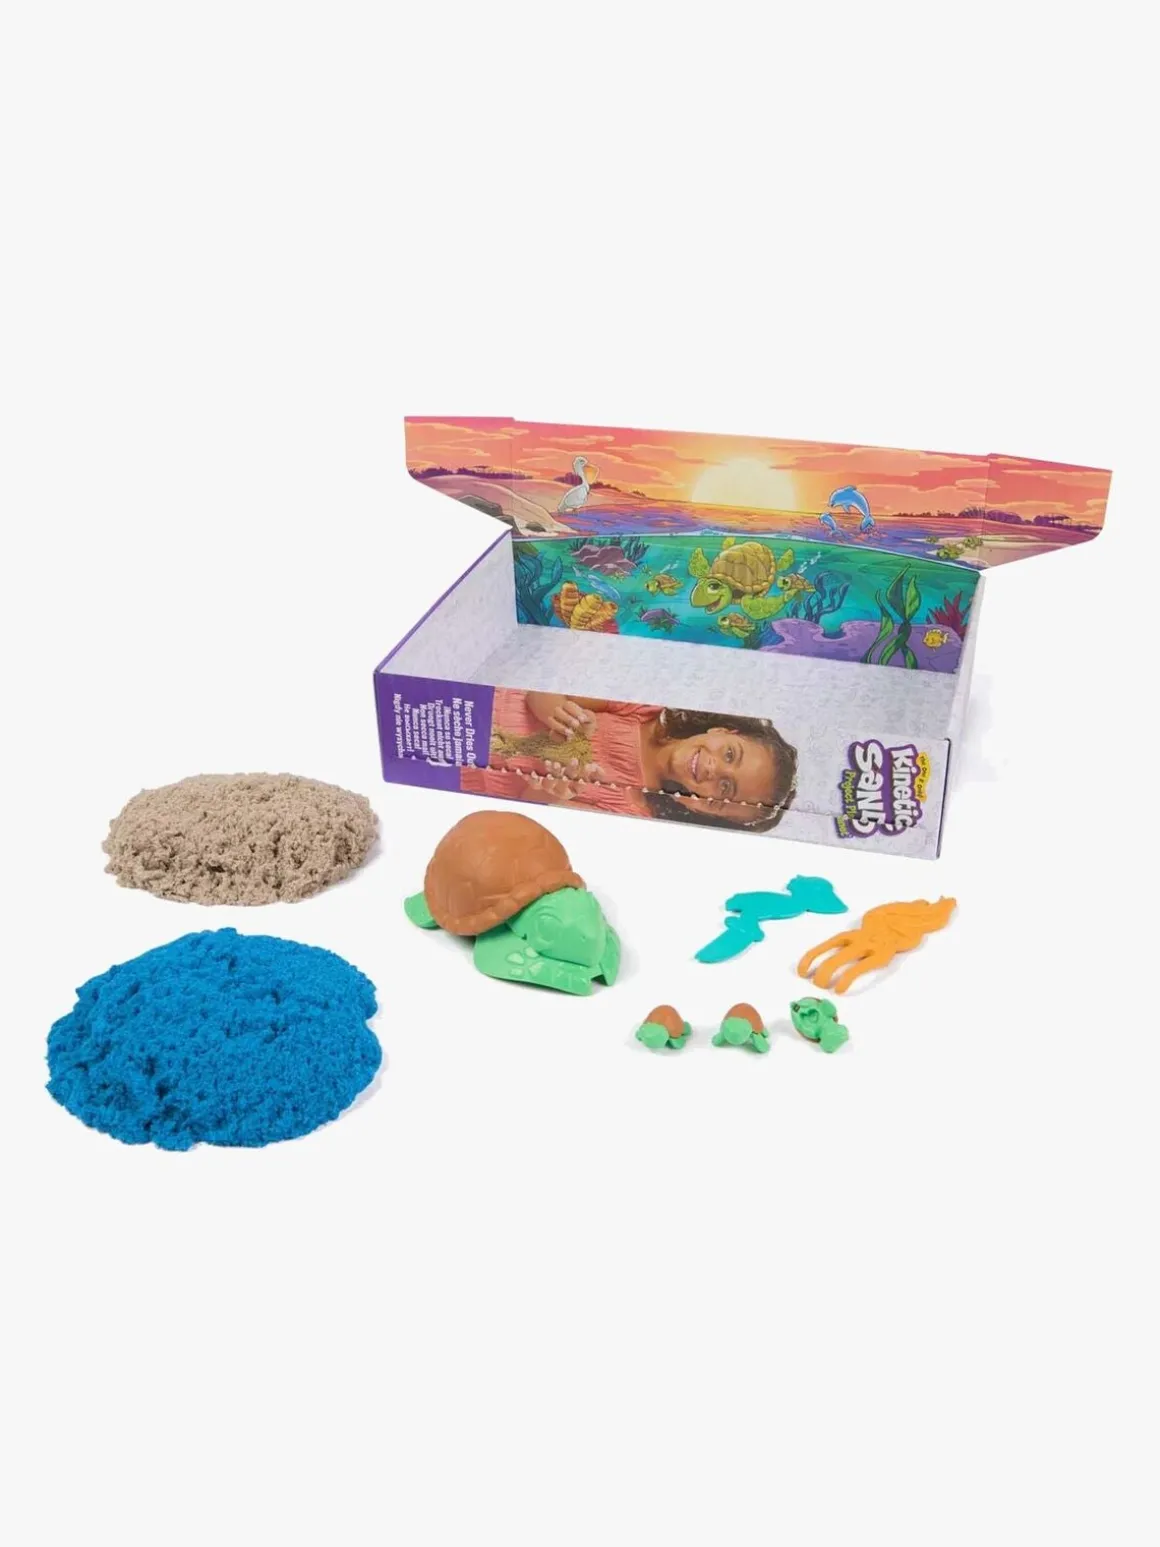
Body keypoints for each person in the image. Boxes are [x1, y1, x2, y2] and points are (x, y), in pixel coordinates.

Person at [460, 690, 797, 831]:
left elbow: (526, 811)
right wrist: (557, 713)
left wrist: (551, 792)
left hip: (465, 775)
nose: (715, 769)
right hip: (470, 705)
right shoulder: (643, 712)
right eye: (729, 754)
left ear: (703, 812)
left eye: (724, 790)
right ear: (722, 729)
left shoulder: (631, 814)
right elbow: (540, 692)